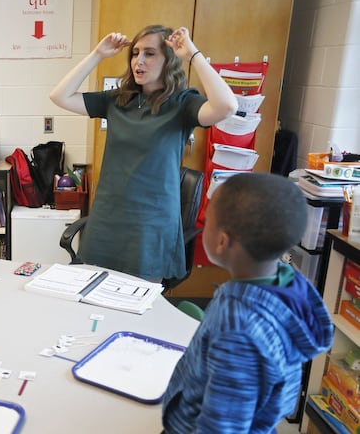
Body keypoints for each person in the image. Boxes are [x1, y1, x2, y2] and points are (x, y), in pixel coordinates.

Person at [50, 25, 238, 281]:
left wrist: (193, 54)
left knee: (138, 304)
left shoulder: (183, 103)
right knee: (95, 298)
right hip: (108, 217)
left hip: (151, 223)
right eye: (135, 52)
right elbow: (59, 96)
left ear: (168, 60)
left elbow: (227, 106)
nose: (138, 60)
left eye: (149, 53)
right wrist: (97, 54)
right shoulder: (119, 100)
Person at [162, 172, 334, 432]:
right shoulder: (288, 283)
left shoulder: (238, 330)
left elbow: (222, 426)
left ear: (222, 241)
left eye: (207, 221)